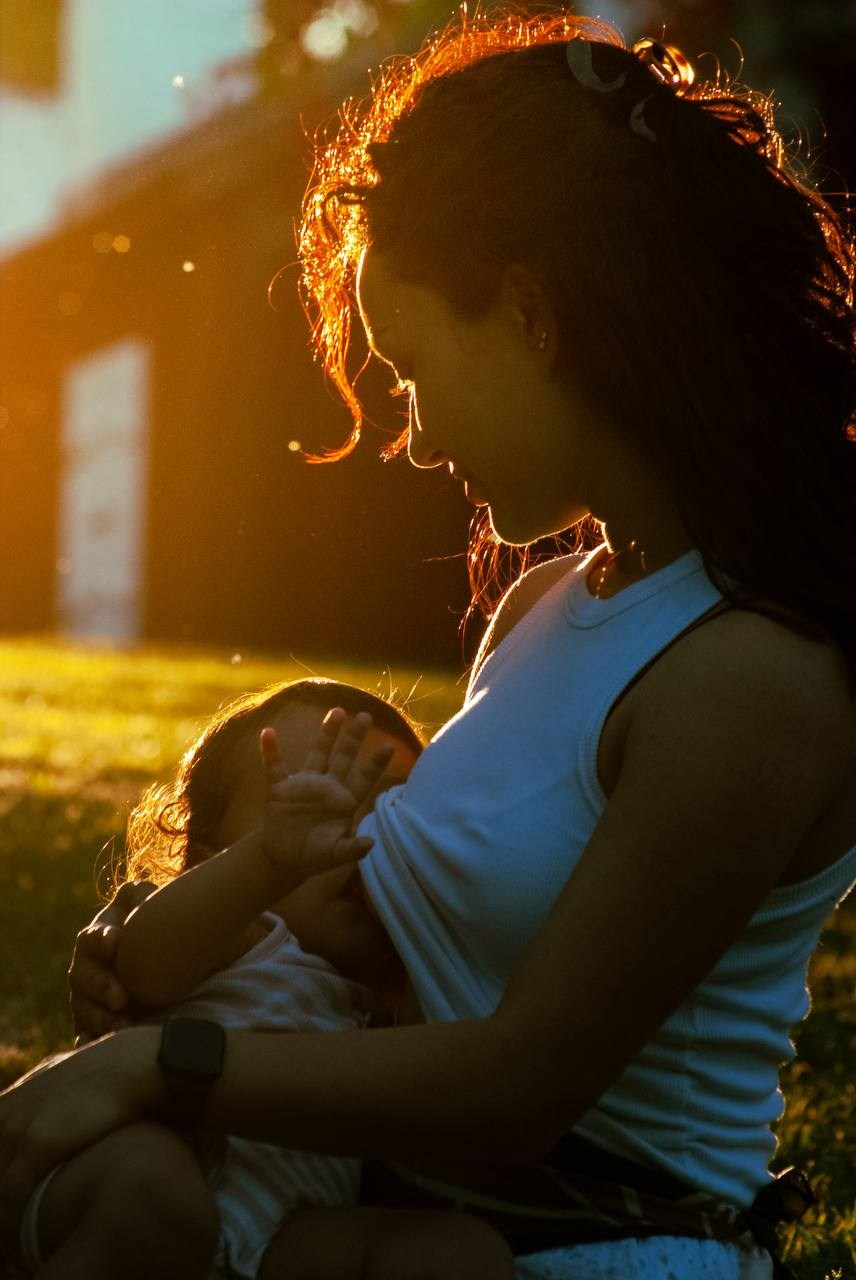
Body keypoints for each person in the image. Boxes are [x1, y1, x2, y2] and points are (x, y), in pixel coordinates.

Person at [2, 11, 855, 1280]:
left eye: (408, 368)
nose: (411, 433)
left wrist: (163, 1059)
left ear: (528, 313)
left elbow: (519, 1082)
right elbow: (397, 947)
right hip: (353, 1215)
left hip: (568, 1250)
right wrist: (166, 947)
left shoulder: (751, 679)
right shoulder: (545, 607)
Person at [8, 678, 513, 1280]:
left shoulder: (399, 983)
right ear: (203, 856)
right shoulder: (241, 932)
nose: (348, 836)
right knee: (154, 1199)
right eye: (302, 801)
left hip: (276, 1231)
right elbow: (144, 962)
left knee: (457, 1254)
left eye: (389, 811)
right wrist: (271, 861)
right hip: (119, 1178)